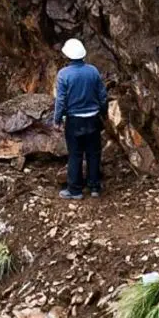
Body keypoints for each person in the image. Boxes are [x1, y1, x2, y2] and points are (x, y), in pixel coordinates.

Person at [53, 38, 106, 198]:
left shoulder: (63, 75)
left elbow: (61, 100)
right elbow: (102, 95)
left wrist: (57, 119)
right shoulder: (93, 71)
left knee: (75, 154)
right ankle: (94, 187)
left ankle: (75, 190)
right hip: (93, 118)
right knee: (93, 153)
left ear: (67, 56)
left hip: (74, 120)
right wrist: (104, 113)